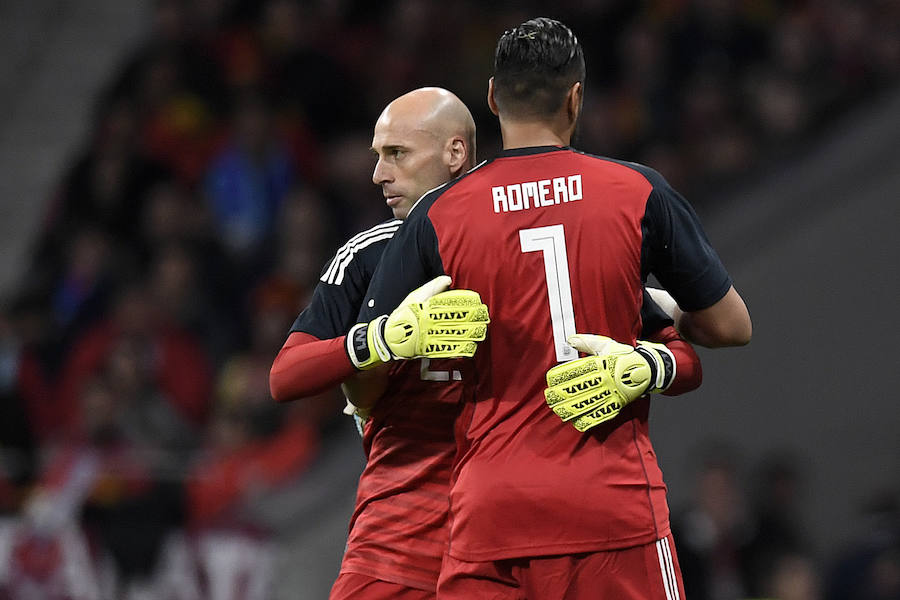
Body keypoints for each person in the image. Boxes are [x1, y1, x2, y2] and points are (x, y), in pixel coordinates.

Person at [355, 18, 751, 599]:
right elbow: (731, 327)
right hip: (614, 507)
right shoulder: (637, 192)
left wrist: (396, 339)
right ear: (576, 98)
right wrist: (652, 357)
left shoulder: (437, 215)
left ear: (492, 97)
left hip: (490, 515)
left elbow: (363, 380)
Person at [270, 87, 703, 599]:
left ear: (456, 153)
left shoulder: (529, 240)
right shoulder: (370, 253)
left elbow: (688, 347)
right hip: (401, 545)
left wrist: (648, 361)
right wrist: (378, 340)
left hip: (510, 543)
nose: (378, 174)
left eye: (396, 154)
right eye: (378, 156)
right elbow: (285, 375)